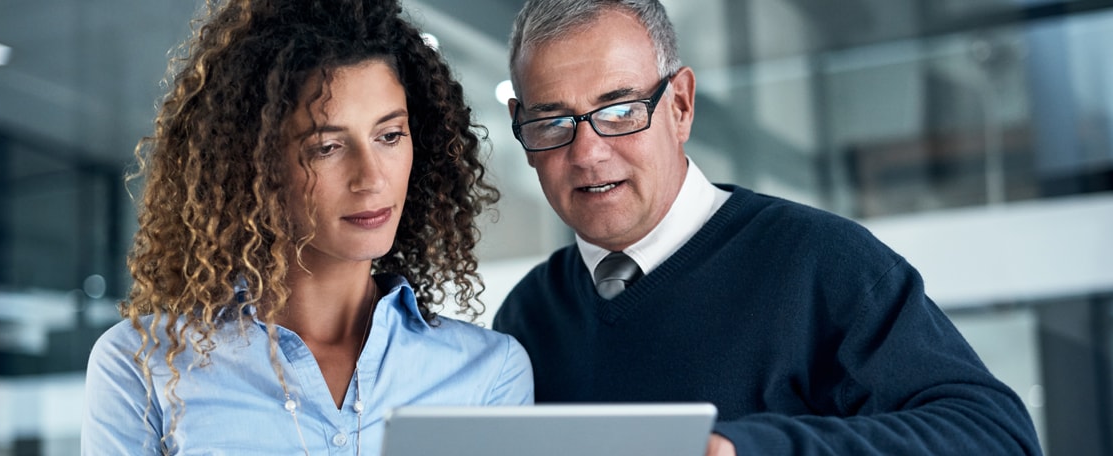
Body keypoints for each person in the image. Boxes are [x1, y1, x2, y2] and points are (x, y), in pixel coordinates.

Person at [491, 1, 1041, 455]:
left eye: (620, 111)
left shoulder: (821, 262)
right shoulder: (529, 315)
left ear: (680, 106)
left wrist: (746, 449)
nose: (587, 152)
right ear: (520, 127)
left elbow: (997, 437)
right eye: (552, 122)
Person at [82, 0, 533, 454]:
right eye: (327, 147)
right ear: (256, 164)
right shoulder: (143, 366)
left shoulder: (488, 374)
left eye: (390, 136)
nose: (372, 179)